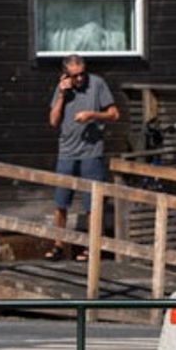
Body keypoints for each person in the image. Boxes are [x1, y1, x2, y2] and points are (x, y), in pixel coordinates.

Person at [45, 55, 120, 261]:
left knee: (92, 203)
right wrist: (61, 94)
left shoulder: (97, 84)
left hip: (91, 151)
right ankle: (58, 244)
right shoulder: (62, 89)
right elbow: (53, 121)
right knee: (61, 202)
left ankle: (92, 247)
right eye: (74, 76)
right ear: (66, 75)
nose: (79, 79)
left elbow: (114, 114)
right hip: (67, 151)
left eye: (81, 75)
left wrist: (93, 115)